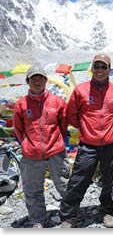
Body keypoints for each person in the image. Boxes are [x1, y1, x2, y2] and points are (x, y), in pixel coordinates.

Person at [60, 53, 113, 228]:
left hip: (111, 144)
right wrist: (87, 128)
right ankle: (68, 215)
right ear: (92, 69)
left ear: (110, 70)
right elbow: (71, 115)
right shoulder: (80, 90)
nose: (100, 70)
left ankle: (107, 211)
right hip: (88, 144)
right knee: (79, 179)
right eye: (97, 66)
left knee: (110, 179)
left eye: (104, 67)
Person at [13, 66, 69, 228]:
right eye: (33, 78)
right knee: (32, 189)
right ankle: (37, 219)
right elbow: (18, 129)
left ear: (46, 80)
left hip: (55, 152)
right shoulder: (21, 104)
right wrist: (26, 144)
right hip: (31, 154)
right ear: (27, 81)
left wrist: (57, 142)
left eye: (40, 78)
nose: (37, 81)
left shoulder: (57, 102)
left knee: (64, 184)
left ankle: (69, 215)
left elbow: (63, 125)